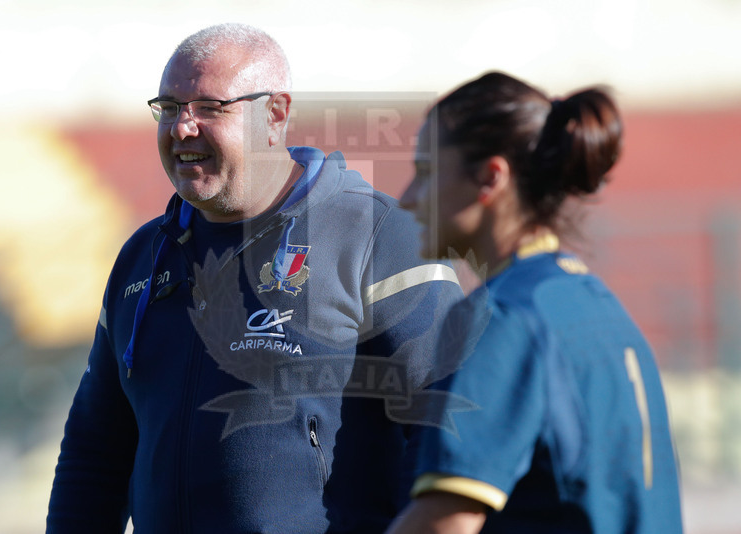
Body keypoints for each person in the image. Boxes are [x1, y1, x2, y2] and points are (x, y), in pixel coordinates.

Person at [46, 23, 464, 534]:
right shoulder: (142, 257)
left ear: (276, 114)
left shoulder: (379, 236)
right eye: (170, 107)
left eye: (209, 108)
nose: (182, 127)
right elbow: (96, 453)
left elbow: (450, 427)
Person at [388, 72, 683, 533]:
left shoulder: (505, 316)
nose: (407, 199)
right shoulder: (598, 305)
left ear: (489, 178)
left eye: (426, 173)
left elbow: (444, 523)